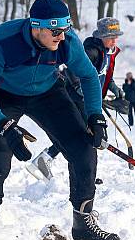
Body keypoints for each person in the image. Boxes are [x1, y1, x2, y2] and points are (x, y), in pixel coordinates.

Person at [0, 0, 121, 240]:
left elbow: (90, 78)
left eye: (65, 30)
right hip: (2, 94)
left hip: (47, 92)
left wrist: (95, 115)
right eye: (55, 32)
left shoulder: (67, 42)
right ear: (36, 27)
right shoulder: (4, 40)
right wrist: (4, 125)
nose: (61, 36)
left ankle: (83, 223)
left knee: (82, 149)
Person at [26, 13, 127, 182]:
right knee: (87, 134)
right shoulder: (91, 51)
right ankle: (82, 172)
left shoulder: (106, 51)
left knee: (86, 135)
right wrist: (83, 90)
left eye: (115, 37)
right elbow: (74, 72)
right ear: (101, 36)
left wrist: (112, 87)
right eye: (110, 38)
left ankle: (59, 162)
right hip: (75, 96)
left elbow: (102, 73)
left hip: (88, 98)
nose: (114, 41)